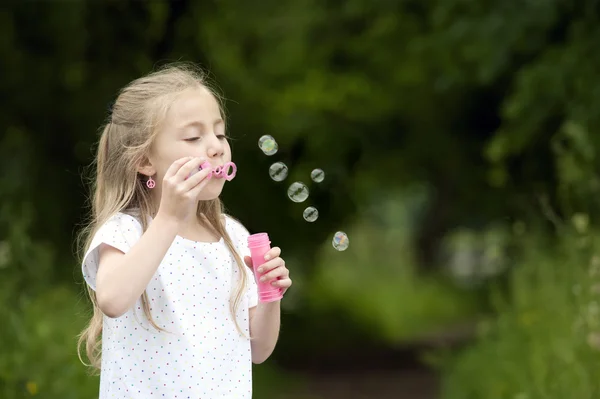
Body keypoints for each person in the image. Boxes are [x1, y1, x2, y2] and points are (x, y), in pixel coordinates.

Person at [77, 63, 292, 399]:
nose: (216, 146)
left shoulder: (233, 236)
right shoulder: (126, 231)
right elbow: (112, 300)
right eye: (194, 137)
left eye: (220, 134)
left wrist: (270, 296)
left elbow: (258, 350)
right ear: (145, 160)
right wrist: (169, 219)